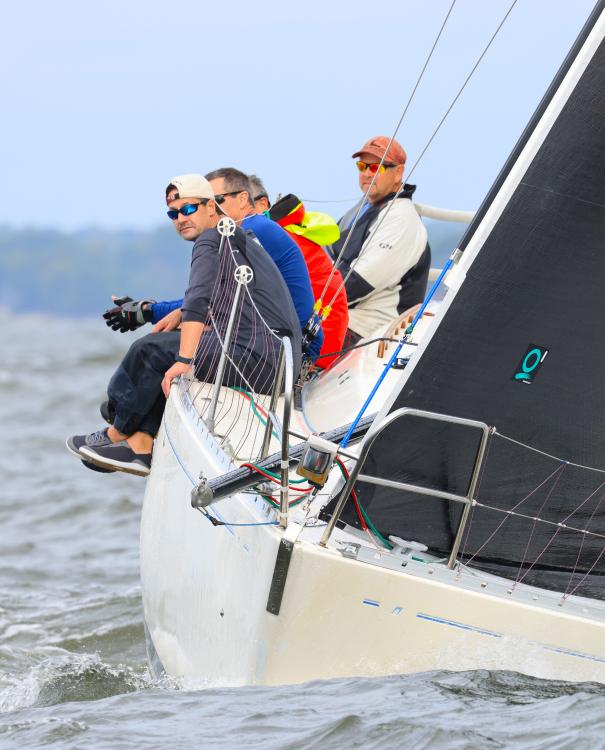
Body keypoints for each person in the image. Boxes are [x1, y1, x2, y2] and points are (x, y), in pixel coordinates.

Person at [66, 174, 301, 476]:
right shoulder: (233, 237)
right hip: (276, 360)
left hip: (262, 362)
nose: (180, 219)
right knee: (163, 347)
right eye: (173, 214)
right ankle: (139, 445)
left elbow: (199, 300)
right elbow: (219, 301)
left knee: (149, 350)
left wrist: (185, 361)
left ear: (211, 207)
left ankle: (116, 432)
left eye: (189, 209)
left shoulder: (211, 240)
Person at [205, 168, 323, 363]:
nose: (212, 210)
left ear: (243, 199)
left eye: (217, 201)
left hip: (288, 351)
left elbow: (217, 298)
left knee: (155, 351)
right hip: (279, 341)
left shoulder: (253, 231)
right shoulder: (249, 229)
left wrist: (152, 312)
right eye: (206, 204)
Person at [330, 135, 430, 345]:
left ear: (399, 173)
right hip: (342, 320)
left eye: (376, 168)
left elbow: (357, 283)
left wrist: (307, 301)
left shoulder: (402, 219)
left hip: (369, 333)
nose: (367, 174)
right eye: (362, 166)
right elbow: (326, 255)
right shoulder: (360, 211)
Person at [258, 185, 349, 369]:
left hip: (315, 352)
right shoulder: (295, 234)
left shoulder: (279, 239)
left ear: (262, 205)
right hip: (328, 342)